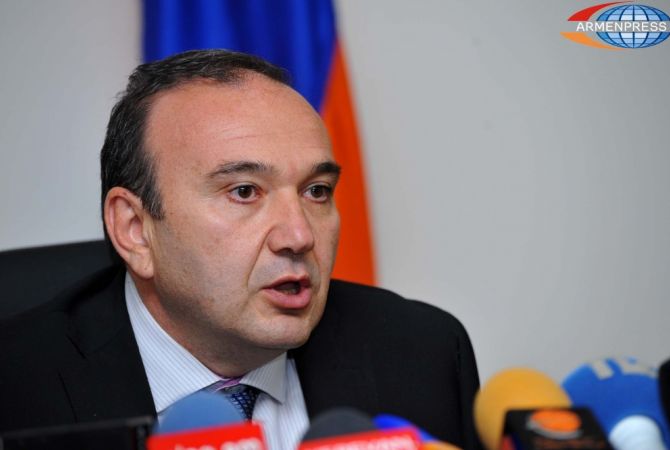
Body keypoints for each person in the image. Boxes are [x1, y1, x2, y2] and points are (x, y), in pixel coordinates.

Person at [0, 50, 481, 449]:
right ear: (135, 230)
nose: (299, 236)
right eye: (245, 192)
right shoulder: (16, 386)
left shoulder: (423, 352)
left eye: (316, 191)